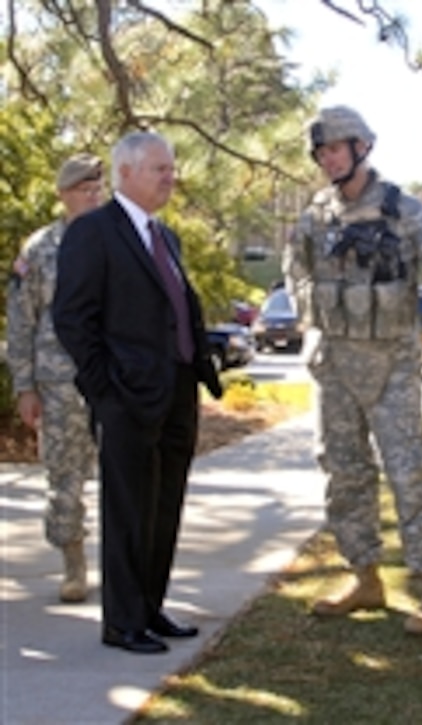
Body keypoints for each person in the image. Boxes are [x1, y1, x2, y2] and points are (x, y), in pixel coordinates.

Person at [284, 105, 422, 634]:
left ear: (361, 148)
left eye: (335, 150)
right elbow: (294, 267)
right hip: (335, 366)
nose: (327, 160)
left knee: (408, 471)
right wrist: (310, 312)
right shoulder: (315, 214)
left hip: (390, 364)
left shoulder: (402, 209)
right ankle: (364, 576)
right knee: (343, 472)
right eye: (320, 152)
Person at [52, 131, 224, 654]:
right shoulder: (93, 232)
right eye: (159, 170)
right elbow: (72, 318)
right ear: (125, 173)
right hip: (126, 395)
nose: (170, 177)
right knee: (128, 510)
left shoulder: (165, 236)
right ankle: (122, 623)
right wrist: (104, 389)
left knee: (164, 505)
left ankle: (150, 609)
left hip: (174, 391)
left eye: (171, 169)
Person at [6, 153, 104, 603]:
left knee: (125, 475)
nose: (92, 196)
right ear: (64, 195)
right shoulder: (40, 249)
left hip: (112, 381)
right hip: (59, 383)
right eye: (83, 190)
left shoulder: (116, 240)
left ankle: (127, 567)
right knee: (64, 477)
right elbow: (21, 321)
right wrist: (24, 386)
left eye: (97, 188)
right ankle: (73, 562)